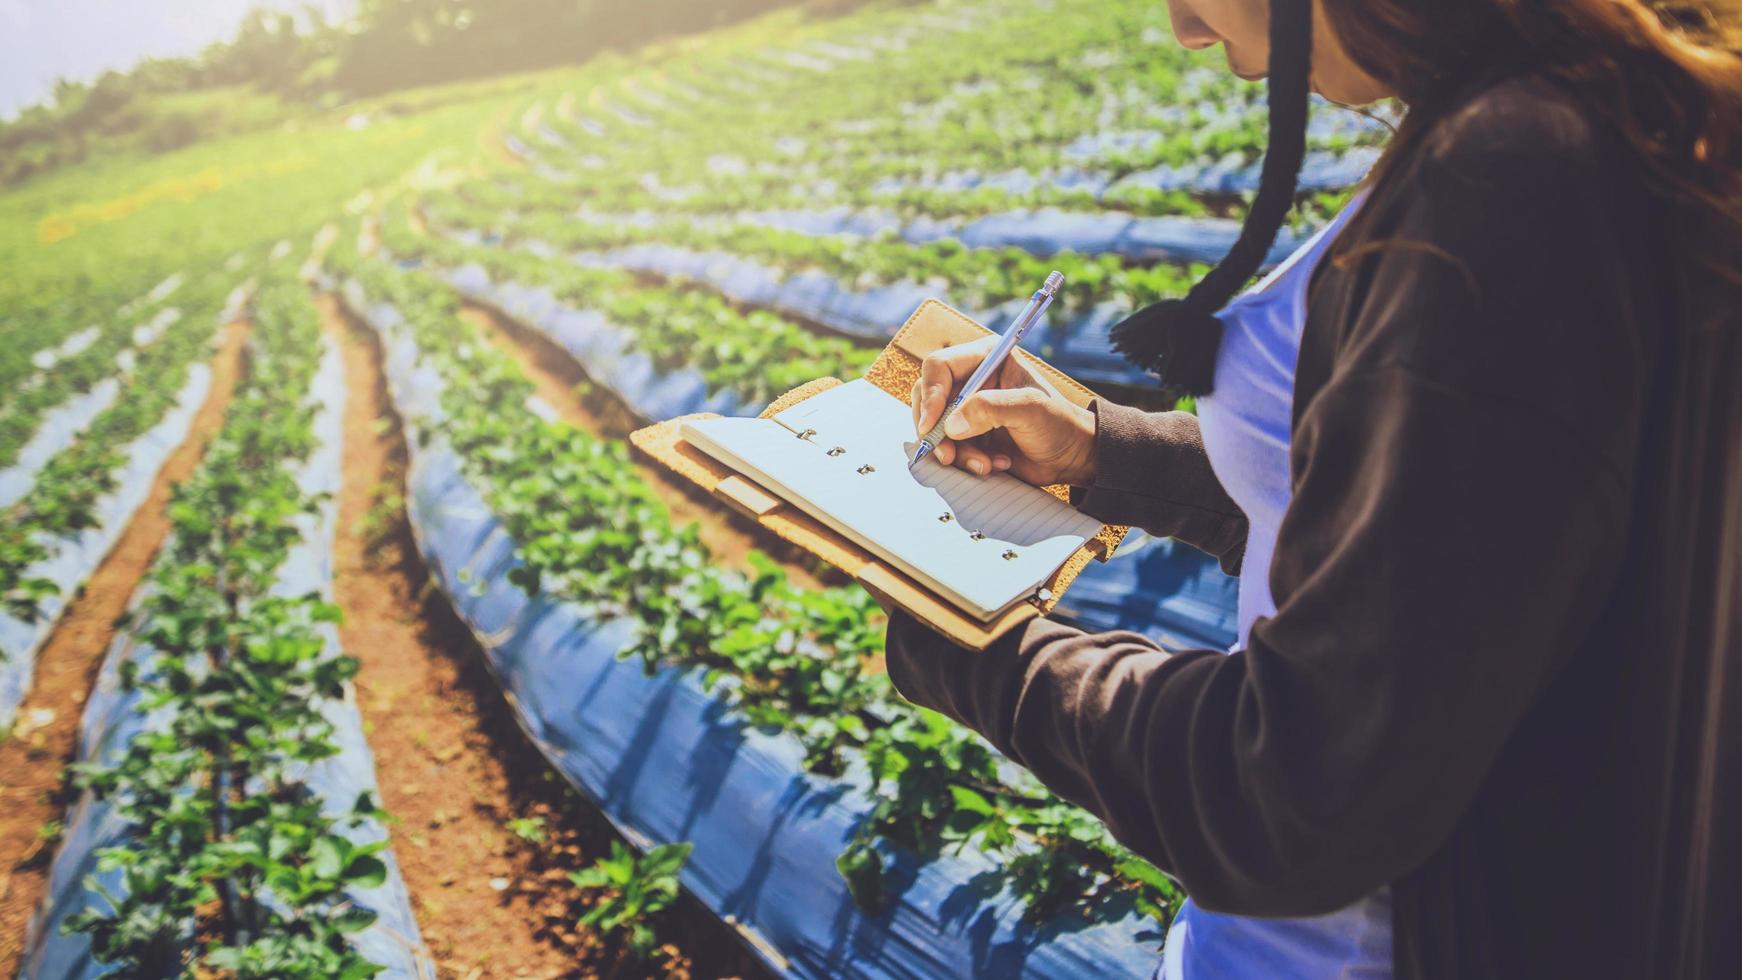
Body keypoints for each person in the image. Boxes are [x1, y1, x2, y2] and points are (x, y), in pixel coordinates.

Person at [884, 1, 1742, 977]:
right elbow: (1438, 509)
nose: (1183, 30)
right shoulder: (1582, 112)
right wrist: (1095, 450)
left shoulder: (1515, 179)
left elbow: (1297, 790)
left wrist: (977, 645)